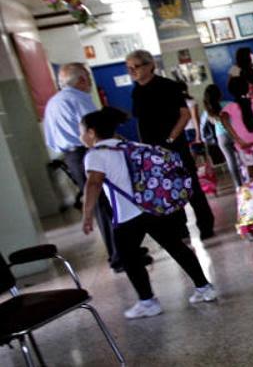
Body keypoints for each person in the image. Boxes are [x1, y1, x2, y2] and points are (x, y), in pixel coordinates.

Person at [79, 107, 219, 319]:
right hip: (153, 208)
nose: (80, 136)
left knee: (129, 258)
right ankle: (204, 287)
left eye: (81, 131)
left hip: (127, 215)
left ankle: (147, 302)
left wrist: (87, 214)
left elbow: (94, 183)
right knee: (176, 247)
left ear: (91, 132)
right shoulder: (131, 145)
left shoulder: (95, 155)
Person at [126, 50, 215, 239]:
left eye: (136, 67)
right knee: (166, 188)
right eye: (129, 68)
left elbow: (184, 115)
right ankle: (180, 229)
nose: (132, 71)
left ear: (150, 66)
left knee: (190, 186)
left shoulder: (168, 86)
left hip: (174, 146)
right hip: (152, 150)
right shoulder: (136, 91)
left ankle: (206, 226)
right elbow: (140, 121)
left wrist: (170, 139)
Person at [43, 63, 118, 265]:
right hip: (87, 151)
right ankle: (119, 255)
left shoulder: (53, 103)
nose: (90, 83)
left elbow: (50, 139)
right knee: (104, 202)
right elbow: (95, 129)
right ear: (82, 80)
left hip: (71, 156)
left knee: (99, 203)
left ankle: (119, 250)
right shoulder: (78, 98)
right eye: (88, 78)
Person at [220, 76, 253, 182]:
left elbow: (224, 120)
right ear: (247, 88)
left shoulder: (229, 108)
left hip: (244, 146)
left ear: (231, 91)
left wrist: (237, 139)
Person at [202, 85, 244, 188]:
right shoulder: (229, 104)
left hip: (221, 137)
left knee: (231, 161)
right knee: (243, 157)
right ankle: (247, 179)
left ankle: (238, 186)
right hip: (234, 133)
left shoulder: (207, 111)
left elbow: (203, 127)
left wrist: (204, 139)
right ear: (219, 94)